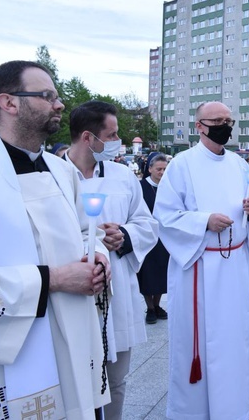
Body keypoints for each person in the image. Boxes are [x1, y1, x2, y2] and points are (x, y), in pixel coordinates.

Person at [0, 60, 111, 418]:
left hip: (71, 344)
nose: (60, 105)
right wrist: (52, 279)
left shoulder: (60, 169)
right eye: (47, 96)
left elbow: (88, 231)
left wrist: (98, 257)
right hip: (8, 361)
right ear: (9, 103)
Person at [153, 101, 249, 419]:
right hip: (200, 267)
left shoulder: (240, 165)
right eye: (218, 120)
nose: (225, 125)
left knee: (234, 337)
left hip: (234, 267)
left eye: (229, 120)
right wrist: (203, 222)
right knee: (200, 342)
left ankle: (233, 405)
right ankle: (195, 410)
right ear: (199, 126)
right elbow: (165, 217)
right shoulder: (181, 165)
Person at [64, 100, 159, 420]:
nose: (119, 140)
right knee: (73, 377)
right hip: (72, 290)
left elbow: (147, 224)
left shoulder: (122, 176)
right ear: (88, 138)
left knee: (115, 380)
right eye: (113, 134)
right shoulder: (52, 175)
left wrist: (125, 237)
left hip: (117, 284)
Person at [137, 152, 170, 324]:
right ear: (150, 169)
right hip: (145, 236)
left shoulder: (168, 187)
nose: (162, 173)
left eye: (165, 169)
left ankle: (157, 304)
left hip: (164, 237)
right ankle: (149, 307)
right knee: (147, 274)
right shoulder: (140, 187)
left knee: (161, 273)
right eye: (159, 169)